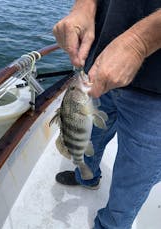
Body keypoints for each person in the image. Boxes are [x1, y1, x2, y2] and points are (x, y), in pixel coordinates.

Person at [53, 0, 161, 228]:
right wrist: (84, 6)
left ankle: (110, 224)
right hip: (99, 66)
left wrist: (139, 43)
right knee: (91, 136)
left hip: (156, 93)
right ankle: (87, 176)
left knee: (134, 175)